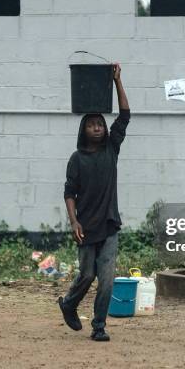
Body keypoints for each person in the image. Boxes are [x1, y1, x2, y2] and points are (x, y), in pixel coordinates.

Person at [58, 63, 130, 342]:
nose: (98, 127)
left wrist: (117, 81)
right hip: (86, 227)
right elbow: (69, 192)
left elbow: (124, 116)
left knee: (107, 281)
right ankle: (68, 304)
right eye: (92, 124)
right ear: (84, 129)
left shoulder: (112, 149)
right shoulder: (77, 159)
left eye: (100, 124)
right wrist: (74, 221)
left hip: (109, 226)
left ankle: (99, 326)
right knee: (87, 275)